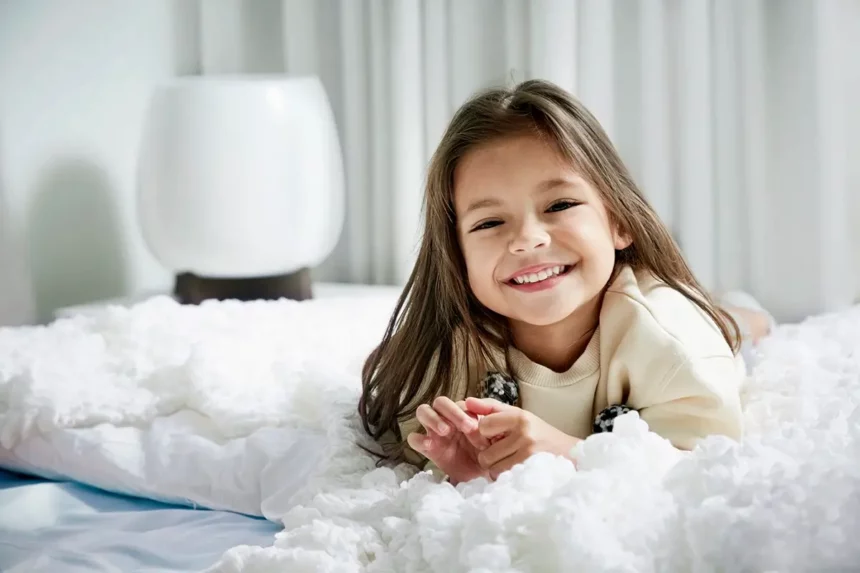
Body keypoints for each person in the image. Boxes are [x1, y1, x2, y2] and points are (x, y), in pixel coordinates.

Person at [358, 79, 773, 485]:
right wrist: (466, 469)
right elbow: (400, 405)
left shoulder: (673, 343)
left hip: (670, 320)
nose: (526, 240)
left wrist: (570, 455)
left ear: (620, 221)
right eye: (489, 222)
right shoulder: (451, 353)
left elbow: (698, 469)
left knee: (731, 326)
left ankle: (738, 311)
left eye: (560, 205)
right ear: (456, 254)